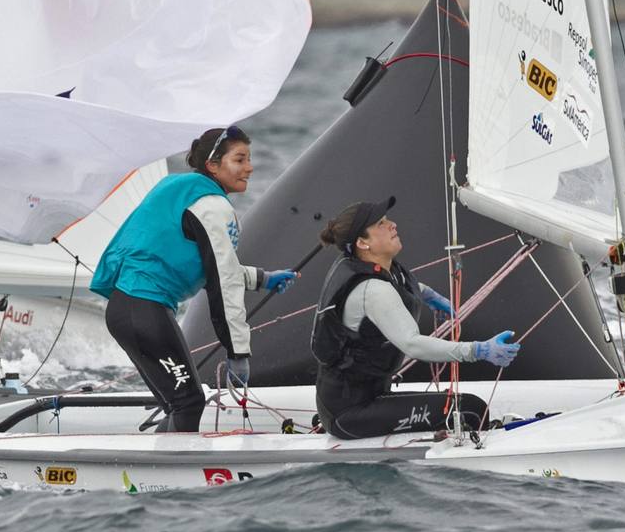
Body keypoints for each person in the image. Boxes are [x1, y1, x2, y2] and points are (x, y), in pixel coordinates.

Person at [89, 125, 297, 432]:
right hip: (144, 310)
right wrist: (238, 351)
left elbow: (211, 266)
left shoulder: (181, 189)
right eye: (239, 160)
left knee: (180, 403)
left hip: (130, 308)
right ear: (213, 165)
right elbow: (222, 281)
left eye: (249, 159)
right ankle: (163, 477)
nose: (250, 168)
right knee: (188, 403)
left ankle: (155, 468)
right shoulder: (211, 206)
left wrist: (263, 278)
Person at [311, 197, 520, 439]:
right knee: (470, 411)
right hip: (349, 413)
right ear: (362, 243)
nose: (393, 225)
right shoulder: (372, 289)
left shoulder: (371, 267)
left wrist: (427, 294)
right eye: (381, 223)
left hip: (366, 398)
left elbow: (398, 288)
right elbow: (412, 344)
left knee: (471, 408)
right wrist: (478, 351)